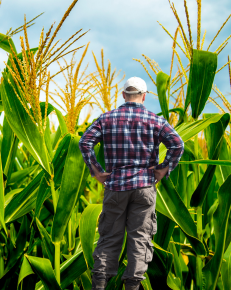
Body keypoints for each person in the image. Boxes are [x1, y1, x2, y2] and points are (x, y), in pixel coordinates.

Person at [79, 77, 184, 290]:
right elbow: (177, 144)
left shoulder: (106, 119)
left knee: (109, 236)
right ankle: (133, 286)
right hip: (144, 187)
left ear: (123, 95)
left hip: (116, 186)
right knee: (140, 238)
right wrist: (164, 168)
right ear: (144, 96)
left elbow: (85, 142)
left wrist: (96, 171)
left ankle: (99, 285)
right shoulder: (155, 120)